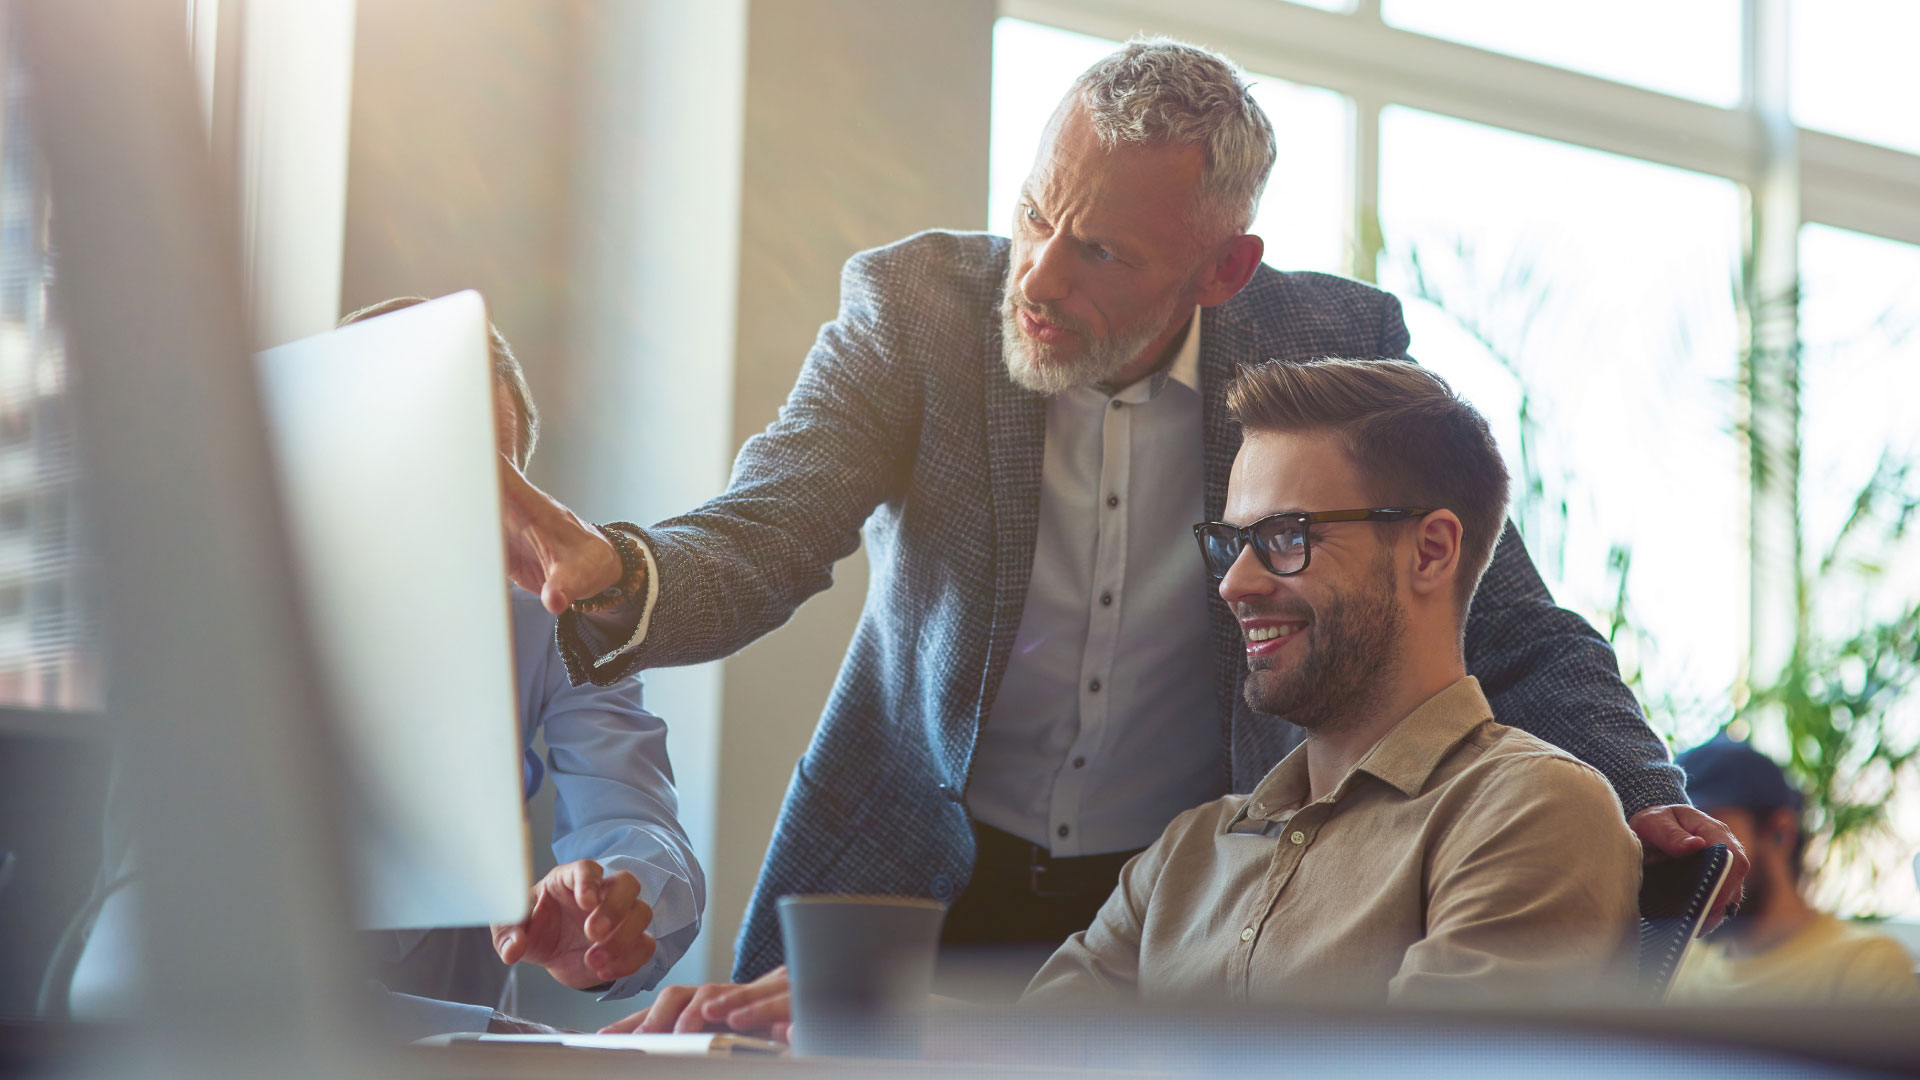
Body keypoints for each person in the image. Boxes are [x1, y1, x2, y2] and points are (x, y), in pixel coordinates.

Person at [499, 38, 1741, 982]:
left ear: (1222, 270)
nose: (1036, 274)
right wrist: (611, 567)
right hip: (907, 868)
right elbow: (764, 532)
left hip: (1171, 904)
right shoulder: (919, 311)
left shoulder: (1329, 349)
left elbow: (1499, 610)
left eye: (1101, 253)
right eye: (1038, 209)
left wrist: (1634, 778)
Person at [610, 358, 1643, 1033]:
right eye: (1229, 542)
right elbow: (1037, 1052)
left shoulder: (1528, 814)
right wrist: (865, 1026)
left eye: (1284, 539)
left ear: (1430, 551)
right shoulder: (1189, 853)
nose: (1234, 582)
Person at [333, 298, 707, 1033]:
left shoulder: (551, 621)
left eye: (493, 477)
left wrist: (619, 894)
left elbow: (633, 813)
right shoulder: (213, 606)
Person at [1668, 736, 1917, 1005]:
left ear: (1779, 833)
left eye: (1708, 832)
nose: (1686, 856)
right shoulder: (1679, 966)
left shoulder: (1865, 970)